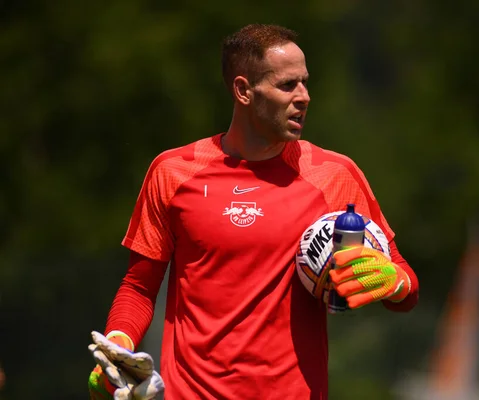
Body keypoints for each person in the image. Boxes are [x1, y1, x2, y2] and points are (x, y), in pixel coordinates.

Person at [88, 23, 419, 399]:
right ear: (243, 90)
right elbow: (139, 286)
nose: (304, 96)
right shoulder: (173, 172)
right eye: (287, 85)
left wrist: (393, 281)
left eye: (305, 82)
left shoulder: (334, 175)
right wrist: (117, 346)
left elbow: (406, 285)